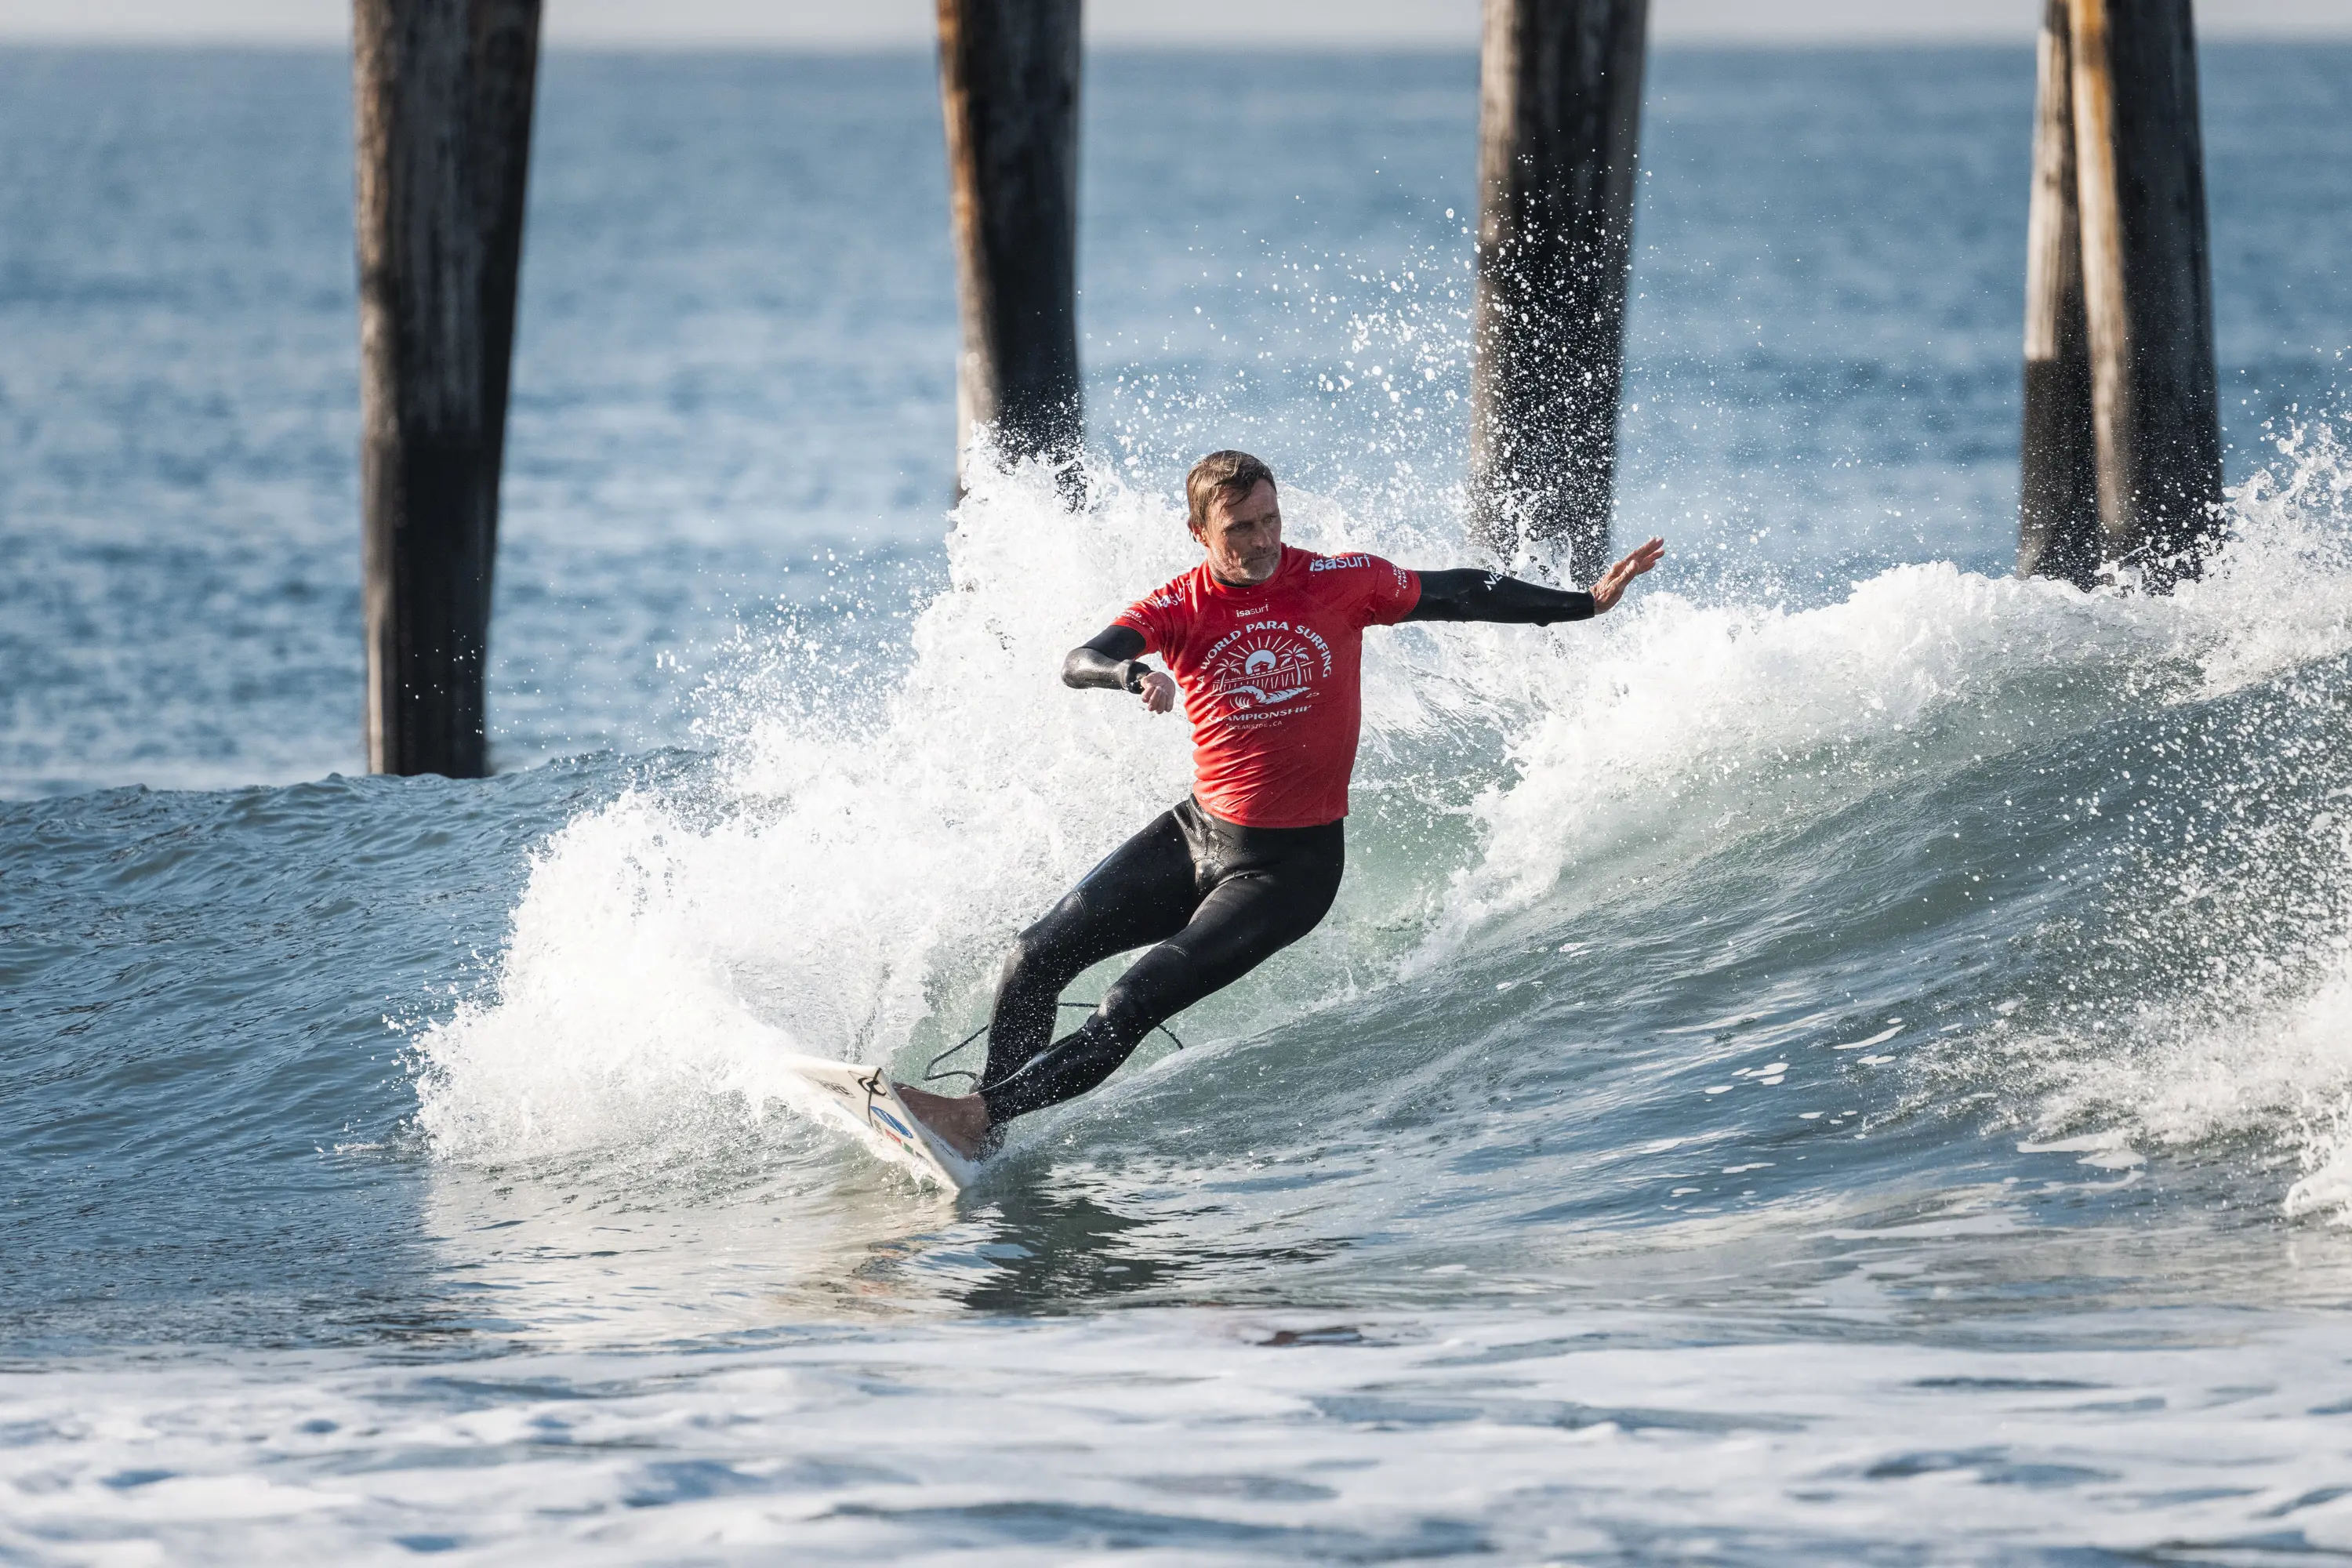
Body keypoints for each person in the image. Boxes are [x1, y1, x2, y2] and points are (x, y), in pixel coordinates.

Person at [897, 450, 1664, 1156]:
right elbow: (1081, 659)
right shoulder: (1179, 606)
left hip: (1289, 870)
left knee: (1132, 997)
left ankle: (976, 1119)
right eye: (1239, 529)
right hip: (1197, 832)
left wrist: (1583, 604)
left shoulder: (1340, 581)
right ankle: (981, 1130)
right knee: (1033, 956)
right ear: (1199, 530)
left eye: (1270, 521)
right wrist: (1133, 678)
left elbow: (1458, 590)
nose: (1262, 541)